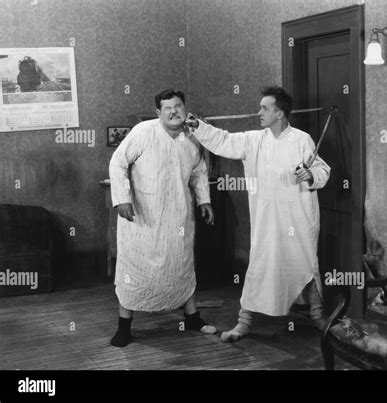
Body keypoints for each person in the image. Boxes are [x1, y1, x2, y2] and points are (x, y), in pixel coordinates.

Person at [185, 86, 330, 341]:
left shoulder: (302, 140)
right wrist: (198, 126)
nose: (259, 112)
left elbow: (321, 169)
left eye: (265, 107)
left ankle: (318, 316)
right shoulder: (254, 140)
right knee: (260, 266)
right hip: (267, 220)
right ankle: (244, 322)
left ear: (281, 113)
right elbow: (223, 141)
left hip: (298, 218)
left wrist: (311, 175)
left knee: (304, 263)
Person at [109, 89, 217, 347]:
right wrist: (122, 198)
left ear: (184, 107)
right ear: (158, 112)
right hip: (141, 217)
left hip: (178, 216)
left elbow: (199, 171)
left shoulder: (193, 136)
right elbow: (118, 163)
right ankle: (124, 326)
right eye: (167, 108)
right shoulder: (143, 132)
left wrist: (204, 200)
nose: (174, 112)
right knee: (134, 270)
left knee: (181, 265)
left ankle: (191, 317)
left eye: (178, 106)